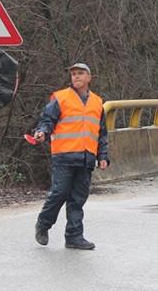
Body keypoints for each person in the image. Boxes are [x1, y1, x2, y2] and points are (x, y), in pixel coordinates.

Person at [33, 63, 110, 250]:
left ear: (89, 78)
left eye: (80, 73)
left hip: (86, 158)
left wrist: (103, 156)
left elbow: (101, 133)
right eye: (73, 74)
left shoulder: (97, 102)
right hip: (64, 155)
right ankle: (43, 225)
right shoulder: (61, 98)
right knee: (60, 192)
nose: (76, 77)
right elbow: (47, 120)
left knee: (78, 198)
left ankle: (74, 237)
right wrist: (42, 131)